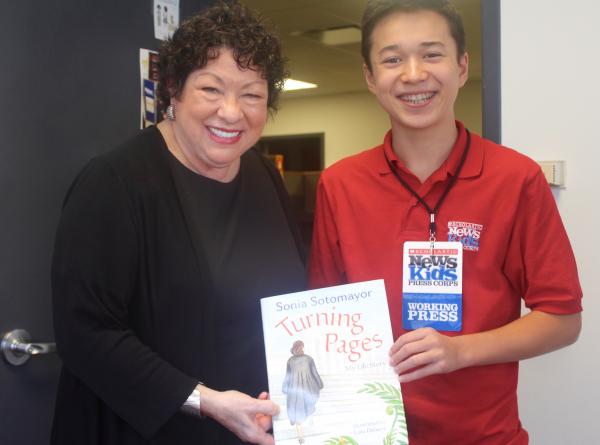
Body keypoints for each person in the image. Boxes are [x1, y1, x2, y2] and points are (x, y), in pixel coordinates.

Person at [308, 1, 583, 444]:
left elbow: (563, 318)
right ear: (370, 76)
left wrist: (460, 350)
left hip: (485, 436)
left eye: (432, 54)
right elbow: (323, 320)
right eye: (392, 59)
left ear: (462, 65)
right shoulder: (340, 184)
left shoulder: (515, 179)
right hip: (370, 434)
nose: (414, 73)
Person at [50, 2, 306, 444]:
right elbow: (86, 334)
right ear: (174, 90)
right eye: (211, 89)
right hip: (141, 429)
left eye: (251, 95)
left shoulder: (264, 176)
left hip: (252, 426)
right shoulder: (116, 182)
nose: (231, 112)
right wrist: (205, 400)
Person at [282, 340, 324, 443]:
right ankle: (306, 426)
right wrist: (319, 384)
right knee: (307, 405)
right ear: (301, 347)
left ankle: (300, 436)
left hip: (295, 389)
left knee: (296, 410)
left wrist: (285, 387)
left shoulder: (290, 360)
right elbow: (314, 373)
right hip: (307, 387)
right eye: (302, 347)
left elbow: (288, 376)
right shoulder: (309, 359)